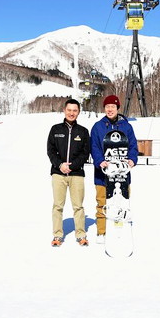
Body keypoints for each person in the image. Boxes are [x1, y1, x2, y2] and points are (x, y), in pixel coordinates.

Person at [89, 95, 138, 244]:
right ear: (104, 108)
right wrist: (100, 161)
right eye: (107, 106)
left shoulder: (126, 126)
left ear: (117, 108)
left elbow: (133, 146)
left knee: (121, 201)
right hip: (103, 173)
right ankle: (102, 231)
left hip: (122, 173)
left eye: (113, 106)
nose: (110, 109)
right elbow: (94, 147)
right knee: (102, 202)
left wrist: (132, 159)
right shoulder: (98, 126)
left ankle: (119, 227)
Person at [47, 98, 91, 247]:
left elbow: (85, 154)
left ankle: (81, 234)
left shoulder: (83, 132)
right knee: (58, 206)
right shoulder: (55, 129)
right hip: (58, 174)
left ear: (78, 112)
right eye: (69, 110)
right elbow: (50, 150)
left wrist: (72, 166)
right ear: (64, 110)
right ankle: (57, 235)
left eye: (75, 110)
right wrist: (60, 165)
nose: (72, 113)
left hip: (76, 174)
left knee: (78, 206)